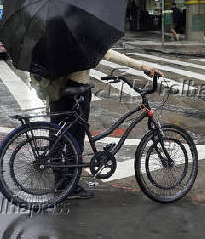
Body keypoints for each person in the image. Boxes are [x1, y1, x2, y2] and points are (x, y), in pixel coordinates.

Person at [32, 49, 163, 199]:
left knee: (57, 136)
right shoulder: (80, 35)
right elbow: (108, 53)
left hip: (55, 89)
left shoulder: (53, 35)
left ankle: (60, 182)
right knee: (75, 141)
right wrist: (141, 66)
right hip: (76, 90)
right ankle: (70, 187)